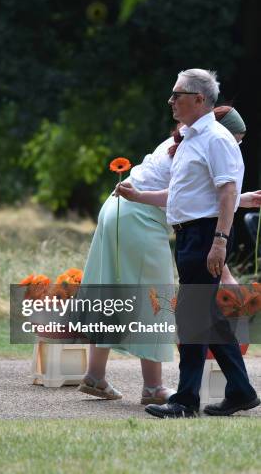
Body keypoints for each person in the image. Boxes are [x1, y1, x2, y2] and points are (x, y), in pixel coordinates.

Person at [78, 105, 261, 404]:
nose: (236, 146)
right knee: (157, 300)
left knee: (115, 292)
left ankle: (95, 376)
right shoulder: (199, 146)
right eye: (236, 139)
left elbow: (191, 195)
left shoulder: (182, 142)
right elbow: (189, 199)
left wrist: (240, 200)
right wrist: (224, 270)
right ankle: (153, 388)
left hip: (116, 209)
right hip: (140, 217)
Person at [118, 69, 259, 417]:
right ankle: (240, 390)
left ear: (199, 99)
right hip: (187, 235)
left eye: (177, 95)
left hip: (204, 235)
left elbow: (227, 193)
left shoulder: (216, 139)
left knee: (193, 316)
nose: (171, 101)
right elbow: (178, 194)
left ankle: (185, 400)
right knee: (203, 315)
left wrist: (220, 242)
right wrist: (138, 196)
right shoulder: (190, 139)